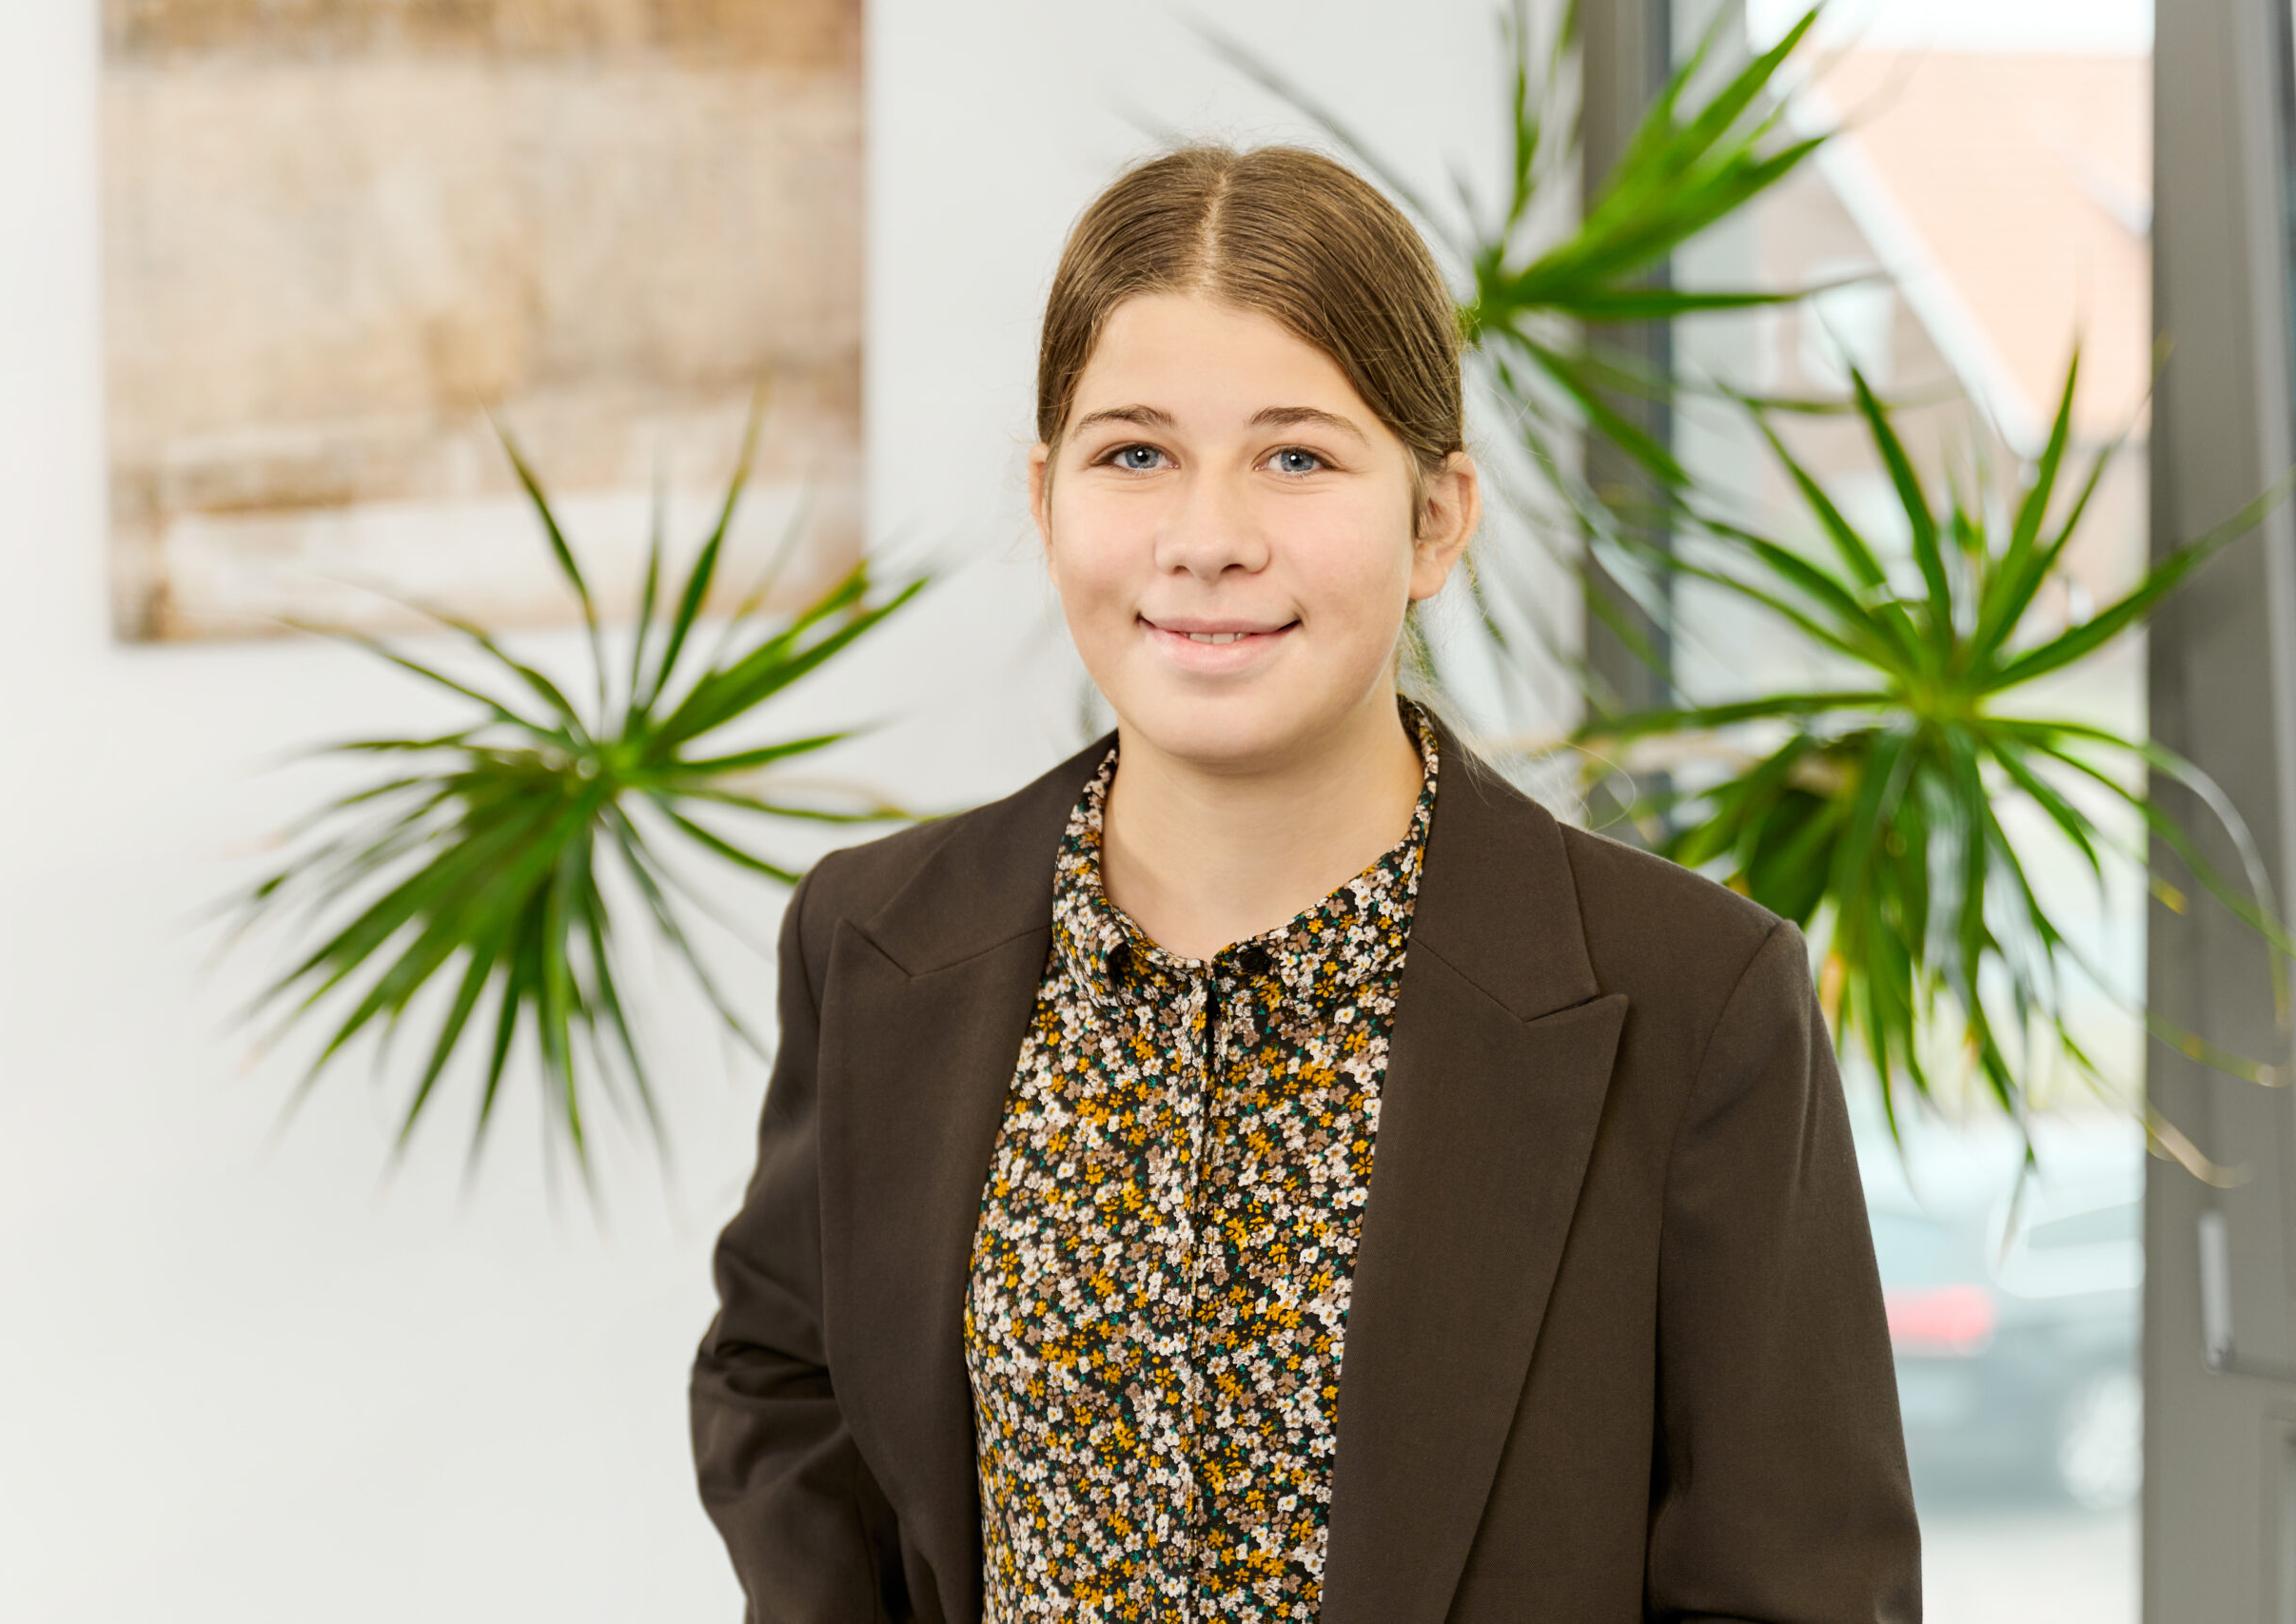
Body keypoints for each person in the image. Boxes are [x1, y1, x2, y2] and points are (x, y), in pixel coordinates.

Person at [690, 143, 1920, 1624]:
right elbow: (785, 1381)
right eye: (1134, 455)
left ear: (1437, 518)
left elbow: (1796, 1586)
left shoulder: (1698, 1002)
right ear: (1046, 496)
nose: (1208, 541)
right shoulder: (874, 940)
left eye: (1298, 457)